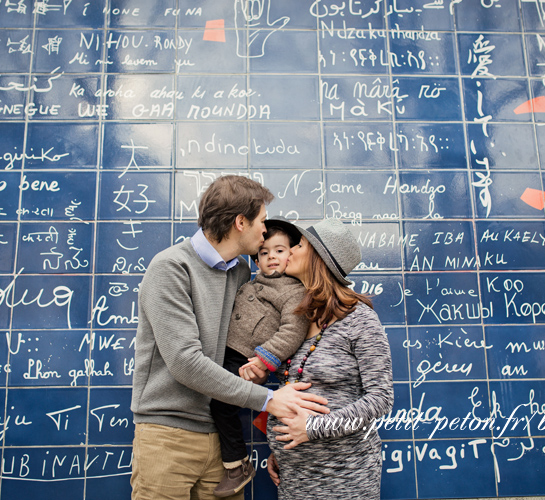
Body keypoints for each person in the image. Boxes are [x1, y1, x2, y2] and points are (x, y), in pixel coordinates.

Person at [130, 176, 329, 500]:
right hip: (168, 435)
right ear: (241, 222)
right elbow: (185, 363)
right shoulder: (171, 268)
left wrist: (263, 363)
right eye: (262, 222)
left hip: (222, 439)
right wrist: (267, 399)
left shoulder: (239, 273)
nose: (265, 231)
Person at [245, 218, 394, 500]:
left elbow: (381, 398)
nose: (288, 252)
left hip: (345, 478)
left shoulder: (359, 319)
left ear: (318, 257)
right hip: (293, 478)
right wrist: (282, 450)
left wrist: (312, 429)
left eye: (298, 245)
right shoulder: (294, 320)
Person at [211, 218, 310, 497]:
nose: (272, 257)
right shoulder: (250, 282)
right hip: (223, 352)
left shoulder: (294, 291)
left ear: (292, 253)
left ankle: (237, 465)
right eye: (264, 253)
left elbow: (293, 330)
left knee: (221, 405)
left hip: (246, 360)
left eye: (279, 250)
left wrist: (263, 360)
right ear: (257, 260)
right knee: (215, 403)